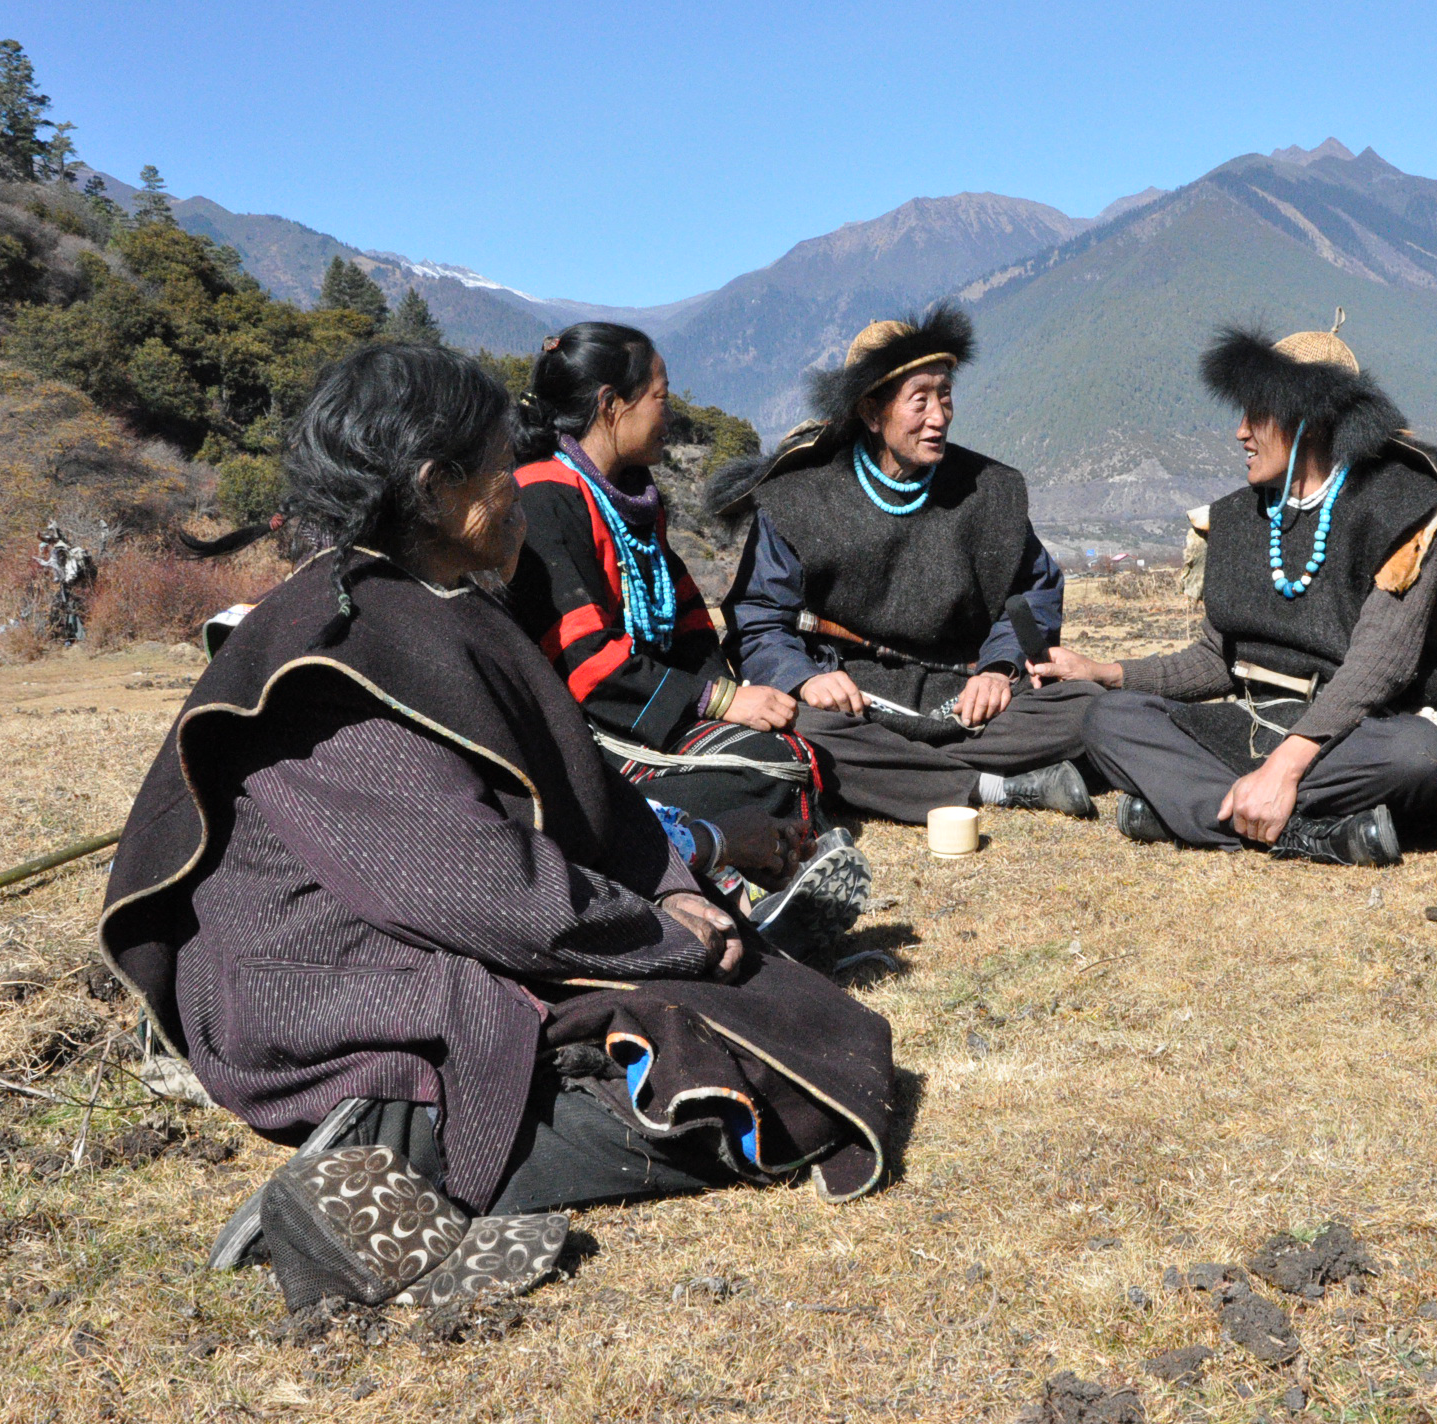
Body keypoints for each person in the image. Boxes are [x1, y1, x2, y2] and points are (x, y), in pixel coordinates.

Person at [100, 346, 895, 1303]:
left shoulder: (430, 604)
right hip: (328, 992)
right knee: (750, 1077)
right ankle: (395, 1153)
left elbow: (582, 792)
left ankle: (424, 1132)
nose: (518, 483)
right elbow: (474, 883)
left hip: (428, 936)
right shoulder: (336, 651)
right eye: (496, 463)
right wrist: (663, 936)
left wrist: (674, 888)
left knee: (778, 1010)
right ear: (436, 488)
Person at [1036, 317, 1437, 864]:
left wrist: (1284, 767)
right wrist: (1105, 672)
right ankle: (1312, 834)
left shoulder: (1402, 509)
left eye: (1257, 414)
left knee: (1416, 755)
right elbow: (1216, 659)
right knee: (1109, 719)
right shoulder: (1236, 518)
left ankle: (1193, 809)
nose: (1241, 432)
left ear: (1309, 418)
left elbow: (1380, 665)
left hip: (1358, 731)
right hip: (1256, 723)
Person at [503, 321, 865, 951]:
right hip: (592, 736)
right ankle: (732, 875)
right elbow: (587, 665)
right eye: (660, 398)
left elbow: (688, 621)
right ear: (611, 405)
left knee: (789, 742)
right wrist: (721, 703)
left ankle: (749, 859)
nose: (668, 414)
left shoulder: (632, 498)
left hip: (652, 714)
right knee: (773, 764)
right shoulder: (544, 495)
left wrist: (733, 699)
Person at [709, 305, 1100, 824]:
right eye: (920, 400)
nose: (939, 416)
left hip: (966, 695)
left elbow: (1032, 592)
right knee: (799, 725)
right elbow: (758, 618)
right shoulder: (799, 499)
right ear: (872, 413)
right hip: (856, 704)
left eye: (945, 395)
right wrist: (803, 679)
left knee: (1086, 706)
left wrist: (999, 669)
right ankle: (996, 785)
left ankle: (905, 777)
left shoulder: (991, 490)